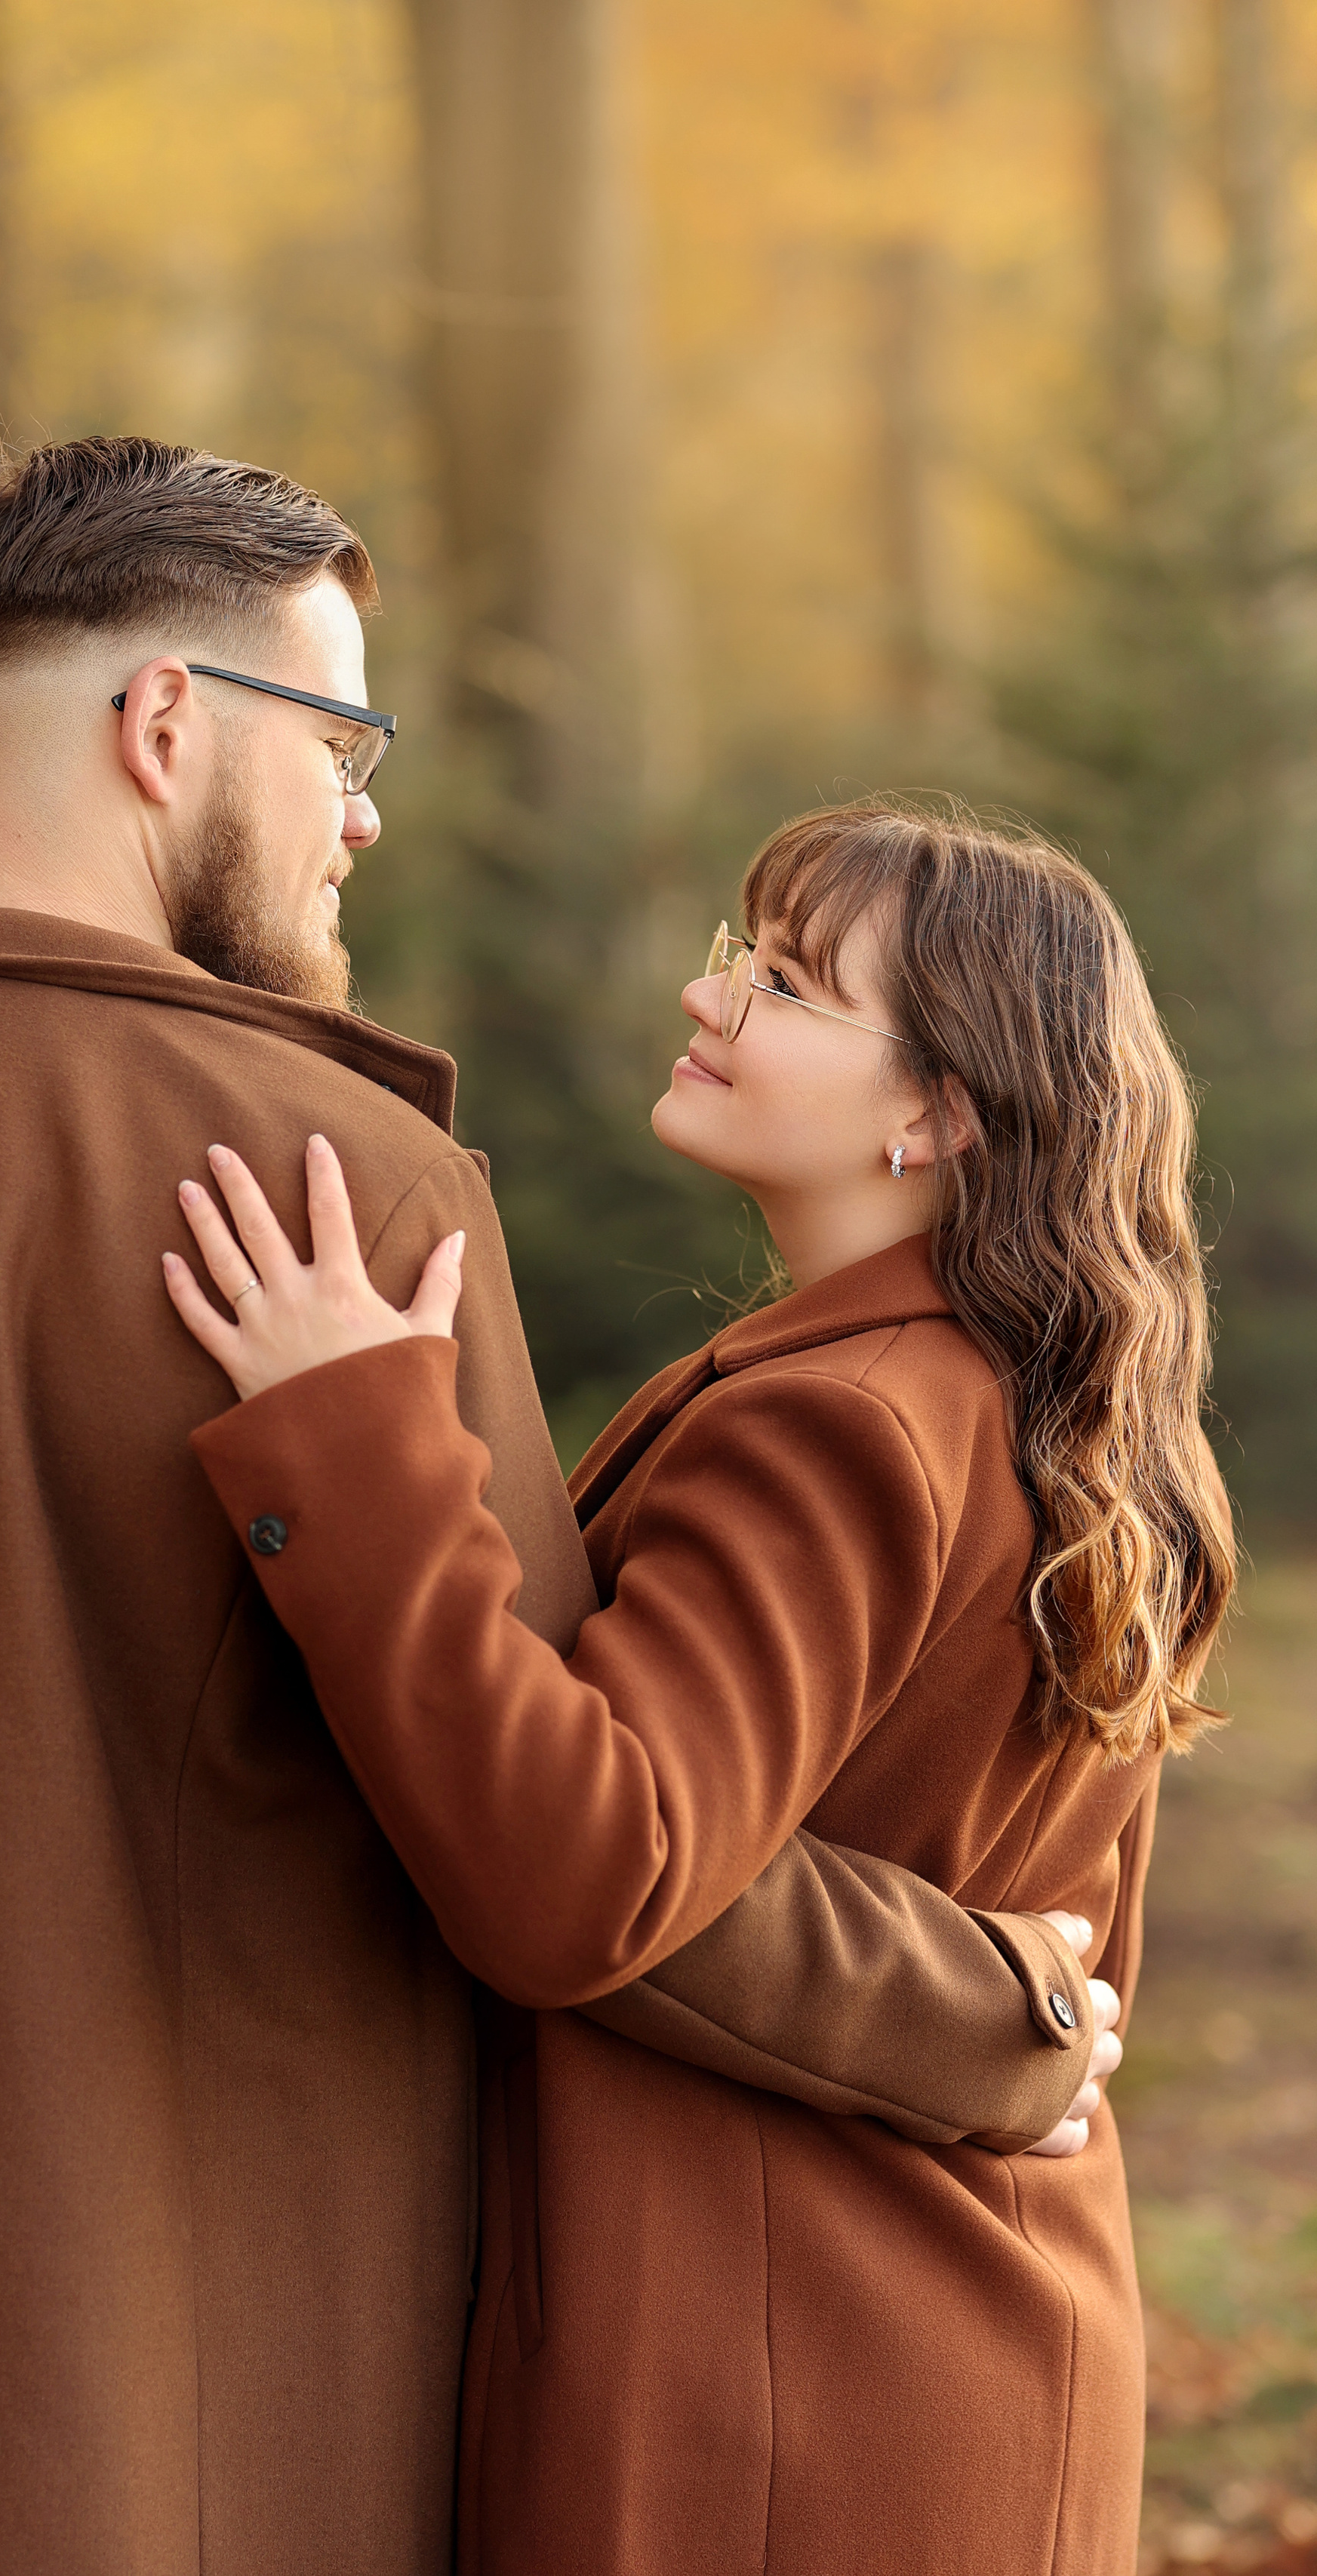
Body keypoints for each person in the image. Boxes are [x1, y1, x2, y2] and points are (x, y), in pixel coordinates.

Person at [0, 446, 1107, 2576]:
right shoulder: (342, 1196)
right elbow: (562, 1834)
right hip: (202, 2378)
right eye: (343, 739)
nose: (362, 811)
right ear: (168, 724)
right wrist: (980, 2005)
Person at [164, 799, 1235, 2576]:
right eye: (739, 951)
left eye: (790, 982)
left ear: (935, 1109)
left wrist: (350, 1444)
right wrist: (996, 2018)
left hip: (779, 2380)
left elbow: (589, 1864)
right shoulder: (1033, 1412)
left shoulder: (843, 1425)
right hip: (966, 2334)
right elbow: (1041, 1945)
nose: (707, 992)